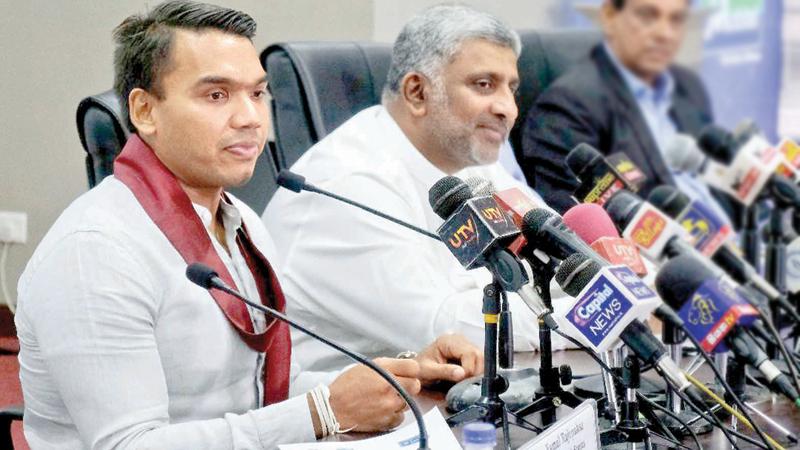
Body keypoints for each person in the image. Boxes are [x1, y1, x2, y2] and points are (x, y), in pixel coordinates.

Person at [15, 2, 483, 449]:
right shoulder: (95, 250)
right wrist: (321, 412)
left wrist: (398, 376)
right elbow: (129, 445)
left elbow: (264, 389)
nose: (250, 119)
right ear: (144, 111)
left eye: (257, 93)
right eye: (216, 95)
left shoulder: (244, 225)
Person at [264, 5, 567, 374]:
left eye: (512, 88)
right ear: (417, 92)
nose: (508, 109)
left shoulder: (479, 166)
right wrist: (608, 316)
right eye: (484, 84)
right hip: (342, 420)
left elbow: (563, 260)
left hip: (447, 396)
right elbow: (449, 328)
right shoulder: (350, 182)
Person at [520, 0, 724, 216]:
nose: (665, 33)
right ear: (609, 15)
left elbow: (723, 187)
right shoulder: (565, 111)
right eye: (647, 16)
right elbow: (588, 231)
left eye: (676, 19)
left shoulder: (688, 87)